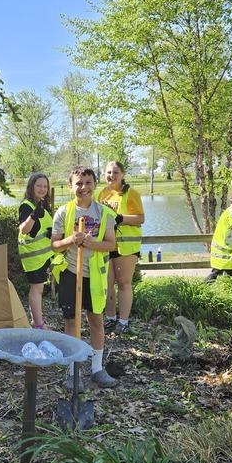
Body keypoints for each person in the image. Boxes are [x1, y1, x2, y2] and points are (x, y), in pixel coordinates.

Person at [51, 166, 119, 389]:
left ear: (95, 185)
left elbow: (111, 244)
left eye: (88, 183)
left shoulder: (104, 213)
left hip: (95, 276)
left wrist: (92, 244)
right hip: (71, 273)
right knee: (71, 321)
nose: (84, 187)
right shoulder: (64, 212)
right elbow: (55, 245)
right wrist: (70, 240)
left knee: (96, 320)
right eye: (78, 183)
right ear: (70, 186)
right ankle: (72, 371)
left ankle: (97, 368)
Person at [96, 161, 145, 335]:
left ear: (123, 174)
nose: (112, 175)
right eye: (109, 172)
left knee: (124, 283)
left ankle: (123, 321)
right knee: (107, 283)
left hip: (126, 246)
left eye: (116, 172)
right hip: (106, 244)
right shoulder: (101, 194)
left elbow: (140, 218)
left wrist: (120, 218)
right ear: (104, 174)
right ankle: (110, 319)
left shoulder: (131, 194)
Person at [16, 172, 55, 330]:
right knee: (37, 288)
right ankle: (38, 324)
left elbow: (41, 229)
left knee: (40, 288)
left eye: (45, 186)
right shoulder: (27, 206)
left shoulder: (43, 204)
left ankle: (37, 321)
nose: (42, 189)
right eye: (39, 186)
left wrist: (50, 233)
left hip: (43, 255)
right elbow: (24, 229)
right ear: (31, 186)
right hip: (32, 256)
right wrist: (32, 216)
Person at [204, 190, 232, 283]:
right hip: (221, 250)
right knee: (216, 273)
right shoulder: (231, 216)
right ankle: (204, 286)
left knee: (230, 272)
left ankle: (228, 288)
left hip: (228, 250)